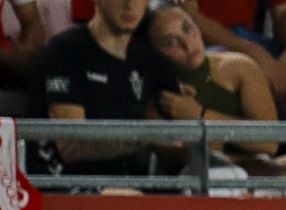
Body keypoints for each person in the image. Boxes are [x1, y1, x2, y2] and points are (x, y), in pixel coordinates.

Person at [35, 0, 180, 181]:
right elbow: (71, 145)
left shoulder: (155, 64)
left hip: (132, 182)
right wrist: (146, 136)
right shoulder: (66, 51)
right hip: (68, 181)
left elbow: (174, 146)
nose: (130, 5)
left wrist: (196, 118)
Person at [147, 4, 282, 175]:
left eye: (188, 29)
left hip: (252, 182)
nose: (188, 45)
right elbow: (179, 157)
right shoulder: (156, 93)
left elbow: (269, 142)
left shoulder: (238, 67)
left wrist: (200, 114)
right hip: (190, 185)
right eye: (171, 42)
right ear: (153, 52)